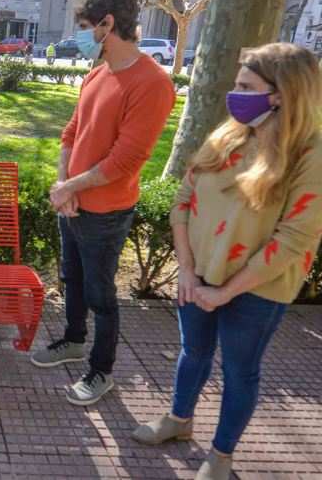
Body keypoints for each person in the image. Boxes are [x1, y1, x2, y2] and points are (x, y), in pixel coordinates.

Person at [132, 43, 322, 480]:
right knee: (193, 352)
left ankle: (221, 455)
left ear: (282, 94)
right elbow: (183, 201)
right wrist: (187, 270)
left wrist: (225, 292)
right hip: (198, 276)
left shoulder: (309, 155)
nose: (234, 94)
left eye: (246, 86)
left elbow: (293, 239)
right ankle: (179, 422)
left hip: (257, 288)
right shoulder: (229, 133)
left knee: (240, 371)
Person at [29, 0, 176, 405]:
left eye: (86, 27)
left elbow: (124, 161)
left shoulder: (152, 84)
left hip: (106, 211)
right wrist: (64, 186)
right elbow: (71, 132)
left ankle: (101, 371)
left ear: (108, 23)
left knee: (101, 294)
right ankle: (74, 340)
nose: (82, 35)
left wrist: (69, 188)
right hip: (72, 202)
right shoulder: (97, 72)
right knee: (72, 280)